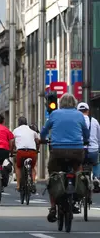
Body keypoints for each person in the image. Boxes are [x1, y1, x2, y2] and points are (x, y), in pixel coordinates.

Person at [40, 93, 89, 222]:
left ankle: (52, 208)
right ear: (74, 103)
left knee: (53, 175)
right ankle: (75, 197)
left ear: (60, 103)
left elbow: (44, 130)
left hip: (58, 151)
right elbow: (85, 132)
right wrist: (86, 140)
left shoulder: (54, 114)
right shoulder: (79, 115)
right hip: (76, 151)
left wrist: (42, 139)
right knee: (77, 169)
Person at [11, 116, 39, 192]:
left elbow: (12, 143)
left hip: (21, 152)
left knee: (18, 166)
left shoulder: (15, 130)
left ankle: (18, 185)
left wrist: (11, 152)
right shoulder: (32, 130)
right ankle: (32, 182)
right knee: (33, 168)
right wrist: (37, 150)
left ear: (18, 123)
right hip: (32, 152)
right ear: (26, 122)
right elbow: (37, 141)